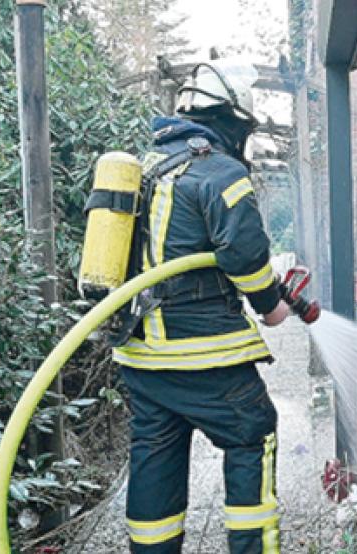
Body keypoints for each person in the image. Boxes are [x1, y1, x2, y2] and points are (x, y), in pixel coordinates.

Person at [112, 58, 289, 554]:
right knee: (253, 433)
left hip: (142, 357)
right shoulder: (219, 170)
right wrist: (271, 306)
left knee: (154, 454)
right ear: (231, 119)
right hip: (204, 355)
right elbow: (246, 256)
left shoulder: (145, 169)